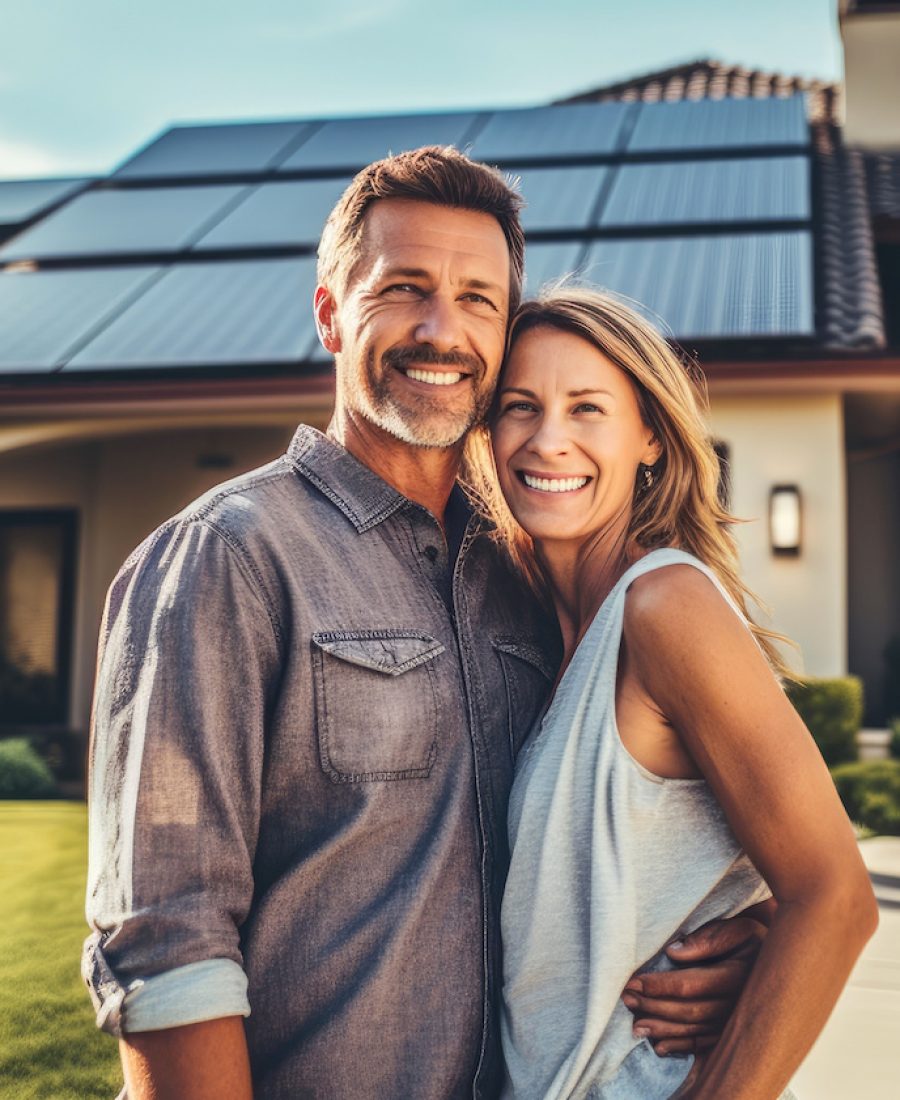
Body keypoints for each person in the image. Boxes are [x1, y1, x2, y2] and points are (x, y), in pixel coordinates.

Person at [84, 148, 770, 1100]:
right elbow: (166, 939)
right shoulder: (227, 557)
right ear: (329, 311)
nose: (443, 331)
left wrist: (739, 944)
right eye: (405, 288)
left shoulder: (528, 574)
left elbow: (622, 832)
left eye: (479, 299)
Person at [473, 286, 879, 1099]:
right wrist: (751, 927)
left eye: (587, 409)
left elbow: (836, 898)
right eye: (521, 407)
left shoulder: (665, 606)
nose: (549, 439)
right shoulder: (531, 629)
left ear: (650, 437)